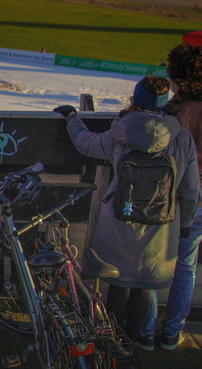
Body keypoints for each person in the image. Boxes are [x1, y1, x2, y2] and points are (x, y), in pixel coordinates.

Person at [54, 76, 199, 340]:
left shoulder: (121, 132)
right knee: (143, 287)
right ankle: (131, 347)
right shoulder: (182, 138)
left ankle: (110, 345)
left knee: (118, 284)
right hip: (163, 226)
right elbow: (189, 191)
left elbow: (85, 143)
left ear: (136, 99)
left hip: (120, 221)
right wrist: (186, 223)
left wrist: (72, 118)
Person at [138, 44, 202, 350]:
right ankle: (172, 332)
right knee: (185, 268)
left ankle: (146, 331)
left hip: (163, 197)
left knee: (150, 264)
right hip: (199, 201)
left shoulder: (169, 110)